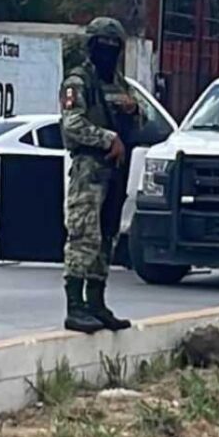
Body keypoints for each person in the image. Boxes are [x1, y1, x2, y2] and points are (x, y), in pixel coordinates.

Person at [60, 17, 141, 333]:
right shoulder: (78, 82)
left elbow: (140, 117)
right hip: (89, 169)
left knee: (107, 235)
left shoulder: (120, 83)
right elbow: (72, 124)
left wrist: (134, 111)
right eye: (102, 46)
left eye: (113, 46)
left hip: (115, 170)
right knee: (84, 235)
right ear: (91, 46)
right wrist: (109, 139)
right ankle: (75, 306)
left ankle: (96, 302)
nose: (108, 52)